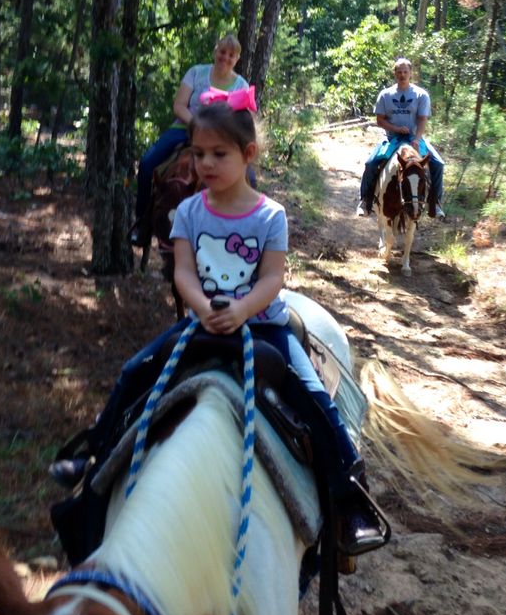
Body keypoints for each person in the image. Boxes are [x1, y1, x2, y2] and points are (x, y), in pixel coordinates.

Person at [53, 92, 384, 558]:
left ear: (248, 154)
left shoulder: (270, 216)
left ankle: (351, 495)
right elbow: (183, 271)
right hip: (203, 323)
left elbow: (273, 278)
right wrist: (201, 306)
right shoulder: (189, 211)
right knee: (134, 372)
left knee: (312, 398)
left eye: (218, 154)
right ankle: (93, 457)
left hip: (262, 327)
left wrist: (243, 309)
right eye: (198, 152)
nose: (205, 163)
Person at [130, 33, 249, 246]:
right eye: (222, 52)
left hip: (221, 139)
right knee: (148, 164)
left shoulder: (241, 84)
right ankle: (142, 224)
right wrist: (197, 125)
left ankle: (240, 229)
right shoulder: (196, 72)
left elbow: (243, 118)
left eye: (231, 55)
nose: (225, 57)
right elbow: (179, 105)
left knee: (249, 176)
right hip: (184, 128)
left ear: (237, 59)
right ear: (215, 51)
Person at [356, 57, 446, 218]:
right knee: (370, 163)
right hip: (391, 138)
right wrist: (396, 128)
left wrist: (417, 139)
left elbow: (422, 119)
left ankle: (436, 203)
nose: (402, 75)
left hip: (414, 137)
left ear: (411, 73)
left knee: (438, 164)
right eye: (399, 72)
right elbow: (380, 120)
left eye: (405, 72)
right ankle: (365, 200)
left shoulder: (421, 95)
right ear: (395, 74)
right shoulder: (385, 95)